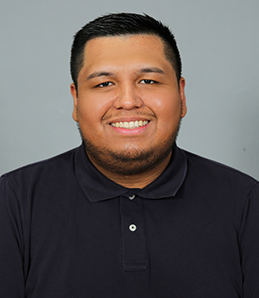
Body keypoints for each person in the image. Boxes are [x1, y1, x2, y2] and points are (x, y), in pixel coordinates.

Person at [0, 12, 258, 298]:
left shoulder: (247, 202)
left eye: (148, 81)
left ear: (182, 96)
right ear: (76, 101)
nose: (127, 102)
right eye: (103, 84)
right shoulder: (13, 200)